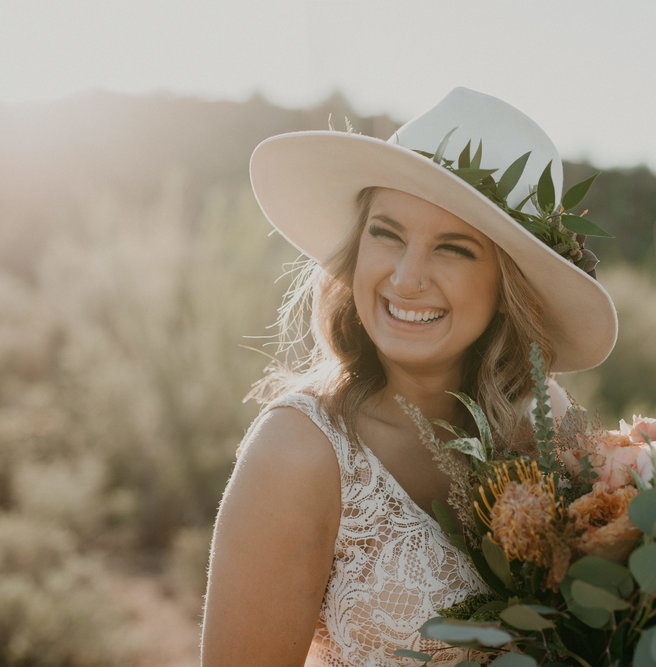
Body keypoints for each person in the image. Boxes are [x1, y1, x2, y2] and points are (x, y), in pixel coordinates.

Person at [200, 87, 618, 666]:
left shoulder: (549, 425)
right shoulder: (299, 453)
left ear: (507, 288)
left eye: (453, 248)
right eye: (387, 233)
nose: (406, 277)